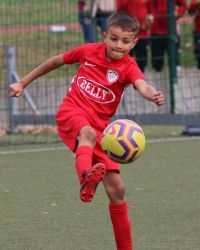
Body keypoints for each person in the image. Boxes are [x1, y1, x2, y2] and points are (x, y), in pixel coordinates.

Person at [9, 12, 165, 250]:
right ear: (105, 37)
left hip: (102, 129)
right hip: (72, 113)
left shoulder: (128, 66)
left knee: (118, 191)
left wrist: (151, 94)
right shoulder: (87, 51)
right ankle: (85, 178)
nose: (118, 45)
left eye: (125, 41)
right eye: (114, 39)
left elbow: (141, 84)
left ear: (134, 44)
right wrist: (22, 82)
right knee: (88, 135)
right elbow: (55, 61)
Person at [117, 0, 154, 72]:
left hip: (142, 33)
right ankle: (126, 75)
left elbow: (151, 13)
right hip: (128, 33)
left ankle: (141, 75)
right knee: (127, 56)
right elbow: (120, 12)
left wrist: (148, 22)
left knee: (142, 57)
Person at [150, 0, 187, 72]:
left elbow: (183, 5)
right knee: (157, 63)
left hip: (171, 29)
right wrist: (155, 16)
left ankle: (175, 80)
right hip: (156, 30)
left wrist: (178, 13)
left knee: (174, 60)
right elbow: (150, 5)